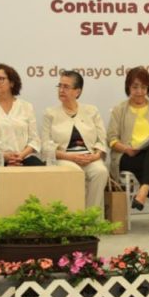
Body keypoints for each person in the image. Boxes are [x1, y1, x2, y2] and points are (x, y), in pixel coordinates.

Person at [0, 64, 44, 243]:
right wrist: (3, 156)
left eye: (1, 79)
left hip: (22, 156)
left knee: (40, 168)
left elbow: (35, 140)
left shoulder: (26, 106)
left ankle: (36, 227)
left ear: (12, 82)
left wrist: (21, 155)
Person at [107, 66, 149, 235]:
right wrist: (126, 148)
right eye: (135, 87)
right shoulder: (119, 110)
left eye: (144, 87)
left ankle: (143, 190)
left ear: (148, 88)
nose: (139, 92)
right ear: (128, 87)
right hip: (128, 156)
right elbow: (111, 139)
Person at [42, 70, 109, 209]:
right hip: (64, 158)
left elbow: (102, 140)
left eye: (66, 87)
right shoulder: (50, 113)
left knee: (101, 172)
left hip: (89, 157)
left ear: (77, 91)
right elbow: (45, 146)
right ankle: (74, 217)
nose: (61, 90)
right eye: (60, 86)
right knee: (74, 172)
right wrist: (70, 157)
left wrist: (95, 156)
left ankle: (91, 217)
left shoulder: (91, 111)